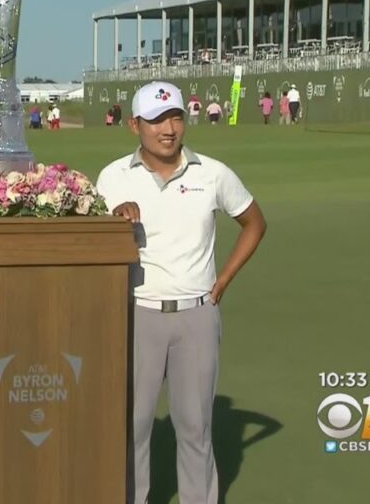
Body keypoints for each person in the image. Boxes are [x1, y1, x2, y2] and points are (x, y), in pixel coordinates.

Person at [96, 81, 266, 504]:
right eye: (156, 121)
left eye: (174, 117)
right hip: (138, 314)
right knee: (133, 427)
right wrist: (116, 219)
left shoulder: (211, 173)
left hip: (196, 315)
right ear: (135, 125)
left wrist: (223, 279)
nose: (167, 129)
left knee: (195, 427)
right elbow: (92, 241)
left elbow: (254, 223)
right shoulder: (113, 177)